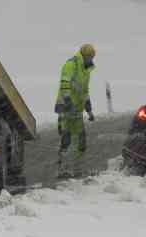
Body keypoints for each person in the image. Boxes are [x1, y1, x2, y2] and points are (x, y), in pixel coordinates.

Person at [54, 44, 96, 178]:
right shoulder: (71, 64)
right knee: (66, 138)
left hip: (77, 109)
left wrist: (89, 110)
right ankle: (63, 169)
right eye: (89, 57)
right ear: (83, 55)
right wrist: (67, 102)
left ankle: (78, 168)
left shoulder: (86, 71)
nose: (90, 59)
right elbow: (65, 83)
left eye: (92, 57)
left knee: (81, 139)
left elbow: (85, 91)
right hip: (66, 107)